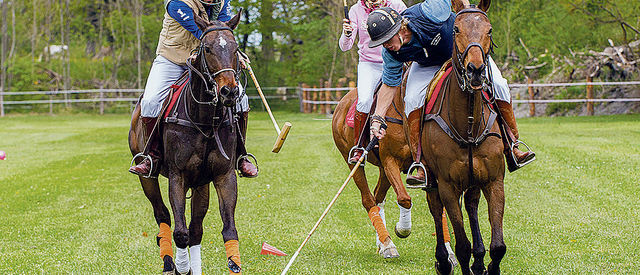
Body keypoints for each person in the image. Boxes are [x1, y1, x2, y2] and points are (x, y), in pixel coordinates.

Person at [366, 1, 534, 189]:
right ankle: (420, 163)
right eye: (382, 43)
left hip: (466, 53)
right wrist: (377, 118)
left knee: (500, 85)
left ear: (400, 28)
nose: (386, 46)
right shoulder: (390, 53)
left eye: (388, 39)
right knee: (411, 99)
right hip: (427, 65)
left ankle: (513, 145)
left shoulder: (430, 12)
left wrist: (466, 9)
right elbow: (389, 85)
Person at [129, 0, 258, 178]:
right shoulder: (177, 3)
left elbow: (223, 33)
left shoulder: (222, 2)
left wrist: (235, 54)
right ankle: (153, 156)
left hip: (209, 61)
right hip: (172, 60)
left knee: (241, 99)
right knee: (151, 101)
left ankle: (240, 155)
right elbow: (202, 33)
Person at [339, 0, 407, 165]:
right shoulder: (355, 10)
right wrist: (347, 34)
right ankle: (359, 146)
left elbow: (409, 29)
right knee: (364, 100)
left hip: (397, 60)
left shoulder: (397, 4)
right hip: (370, 64)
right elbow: (345, 47)